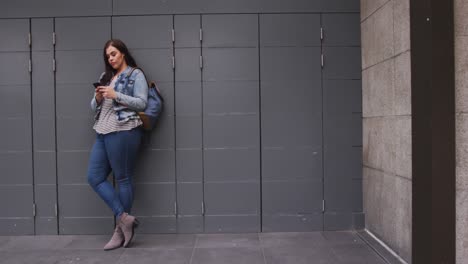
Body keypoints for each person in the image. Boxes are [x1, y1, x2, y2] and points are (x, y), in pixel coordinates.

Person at [87, 39, 148, 250]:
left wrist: (116, 95)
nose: (110, 58)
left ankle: (119, 231)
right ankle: (124, 219)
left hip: (123, 129)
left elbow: (142, 102)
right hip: (102, 129)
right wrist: (97, 97)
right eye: (108, 56)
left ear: (123, 53)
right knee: (94, 177)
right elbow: (92, 106)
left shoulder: (135, 74)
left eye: (113, 54)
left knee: (123, 178)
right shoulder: (106, 77)